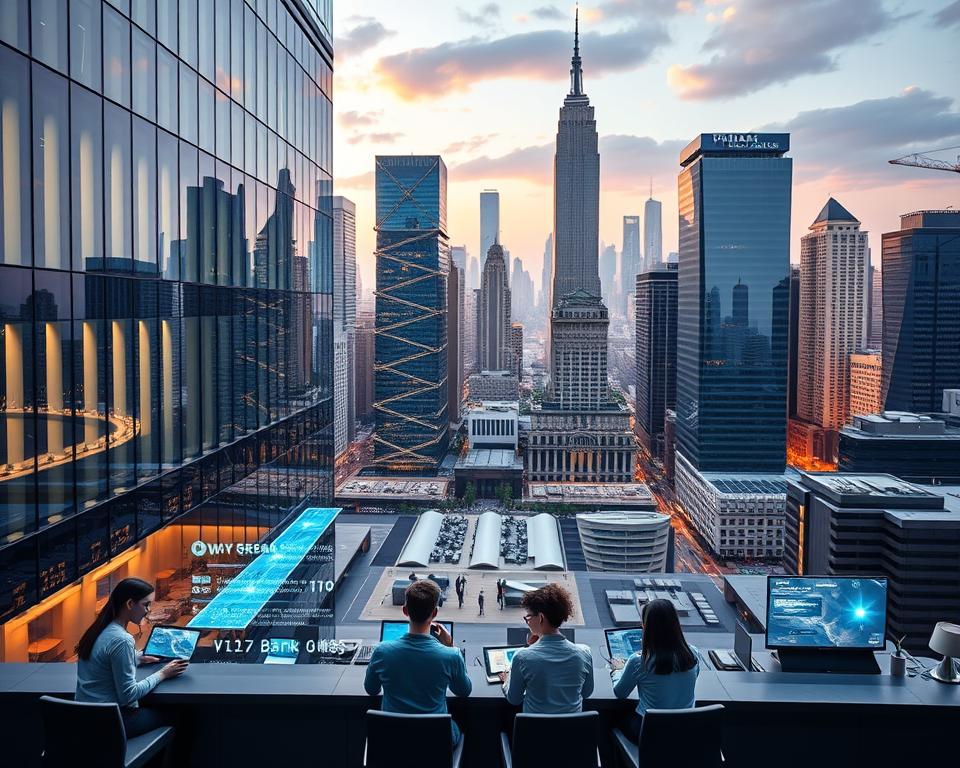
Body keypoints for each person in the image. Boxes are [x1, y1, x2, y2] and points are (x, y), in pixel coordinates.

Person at [75, 577, 188, 737]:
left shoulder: (99, 629)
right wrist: (163, 673)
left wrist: (137, 658)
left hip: (87, 718)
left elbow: (104, 661)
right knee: (183, 715)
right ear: (129, 604)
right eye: (146, 604)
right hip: (115, 721)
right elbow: (128, 695)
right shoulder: (122, 640)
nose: (149, 610)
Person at [364, 580, 472, 743]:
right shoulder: (451, 656)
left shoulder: (381, 652)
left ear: (405, 611)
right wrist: (449, 645)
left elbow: (371, 689)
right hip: (435, 743)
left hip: (393, 742)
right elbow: (464, 691)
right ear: (435, 613)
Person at [610, 599, 700, 740]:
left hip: (650, 733)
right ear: (676, 624)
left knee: (613, 719)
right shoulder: (693, 654)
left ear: (645, 627)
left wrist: (616, 671)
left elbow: (620, 693)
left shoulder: (639, 661)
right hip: (685, 733)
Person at [501, 584, 594, 713]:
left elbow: (514, 699)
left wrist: (506, 681)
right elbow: (587, 693)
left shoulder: (522, 657)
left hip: (534, 732)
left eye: (528, 617)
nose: (527, 622)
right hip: (572, 732)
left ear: (541, 618)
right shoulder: (584, 653)